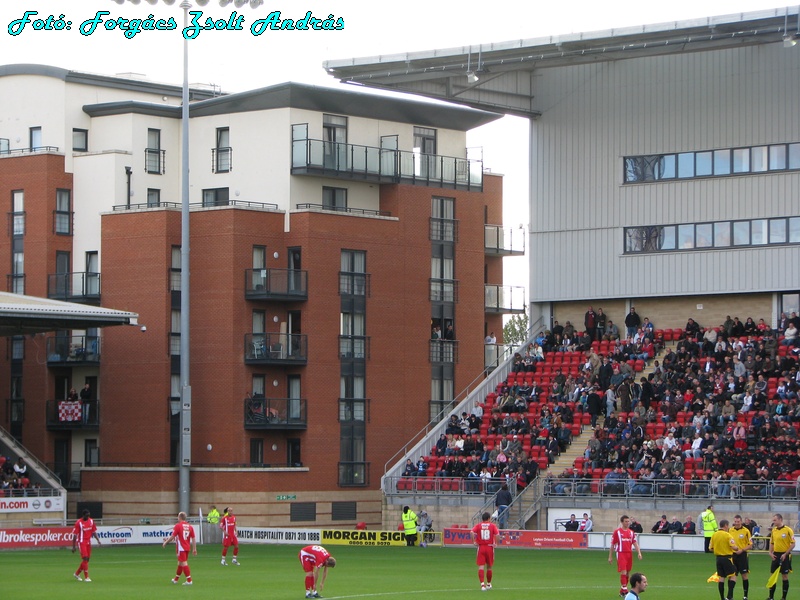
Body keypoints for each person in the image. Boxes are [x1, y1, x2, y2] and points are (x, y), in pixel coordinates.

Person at [610, 514, 643, 598]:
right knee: (623, 571)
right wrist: (610, 556)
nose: (627, 523)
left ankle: (622, 589)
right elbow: (612, 545)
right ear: (622, 522)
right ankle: (625, 590)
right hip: (621, 553)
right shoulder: (617, 532)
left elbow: (635, 543)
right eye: (626, 521)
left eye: (628, 521)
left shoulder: (631, 532)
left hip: (629, 553)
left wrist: (639, 552)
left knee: (628, 572)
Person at [162, 511, 197, 586]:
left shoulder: (178, 526)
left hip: (181, 548)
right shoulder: (190, 526)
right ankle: (176, 579)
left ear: (179, 517)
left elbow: (173, 536)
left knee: (183, 563)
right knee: (180, 563)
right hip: (187, 547)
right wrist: (194, 549)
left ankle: (189, 580)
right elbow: (193, 538)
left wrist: (166, 542)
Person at [709, 519, 740, 600]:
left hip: (718, 559)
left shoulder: (714, 535)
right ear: (726, 525)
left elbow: (710, 548)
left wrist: (718, 549)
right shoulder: (727, 535)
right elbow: (733, 547)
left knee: (722, 577)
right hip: (727, 558)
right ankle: (730, 596)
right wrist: (737, 548)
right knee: (733, 575)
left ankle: (722, 597)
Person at [767, 513, 796, 600]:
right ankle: (771, 597)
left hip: (785, 555)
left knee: (784, 576)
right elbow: (772, 543)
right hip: (776, 554)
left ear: (780, 520)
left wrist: (785, 554)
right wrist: (770, 553)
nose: (774, 522)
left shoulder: (788, 530)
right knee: (772, 576)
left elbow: (793, 544)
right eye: (773, 520)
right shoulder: (774, 530)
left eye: (775, 520)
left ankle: (783, 597)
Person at [471, 511, 500, 591]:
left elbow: (472, 532)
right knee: (489, 567)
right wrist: (496, 543)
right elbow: (497, 535)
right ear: (488, 518)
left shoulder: (479, 525)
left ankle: (482, 585)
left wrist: (473, 541)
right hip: (489, 547)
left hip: (481, 547)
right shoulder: (492, 526)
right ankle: (489, 584)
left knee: (481, 566)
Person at [72, 509, 101, 582]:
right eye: (87, 515)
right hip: (81, 542)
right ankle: (87, 577)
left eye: (89, 515)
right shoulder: (79, 523)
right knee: (85, 558)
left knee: (87, 560)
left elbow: (94, 531)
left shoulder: (91, 521)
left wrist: (98, 540)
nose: (88, 517)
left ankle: (77, 573)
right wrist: (73, 546)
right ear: (83, 515)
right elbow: (75, 535)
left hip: (88, 542)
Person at [730, 514, 752, 600]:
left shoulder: (746, 531)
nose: (736, 523)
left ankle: (745, 596)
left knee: (744, 576)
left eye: (738, 522)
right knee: (732, 575)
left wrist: (742, 550)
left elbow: (750, 545)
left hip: (742, 555)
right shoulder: (730, 530)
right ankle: (730, 596)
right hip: (733, 555)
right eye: (735, 522)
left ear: (741, 521)